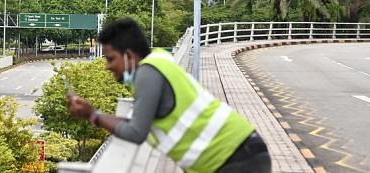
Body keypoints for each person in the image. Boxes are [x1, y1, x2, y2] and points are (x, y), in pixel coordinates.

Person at [66, 18, 271, 173]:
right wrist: (95, 114)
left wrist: (93, 115)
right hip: (238, 154)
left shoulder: (147, 73)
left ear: (128, 55)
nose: (108, 66)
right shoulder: (159, 59)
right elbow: (138, 121)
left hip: (236, 159)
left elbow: (136, 133)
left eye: (111, 58)